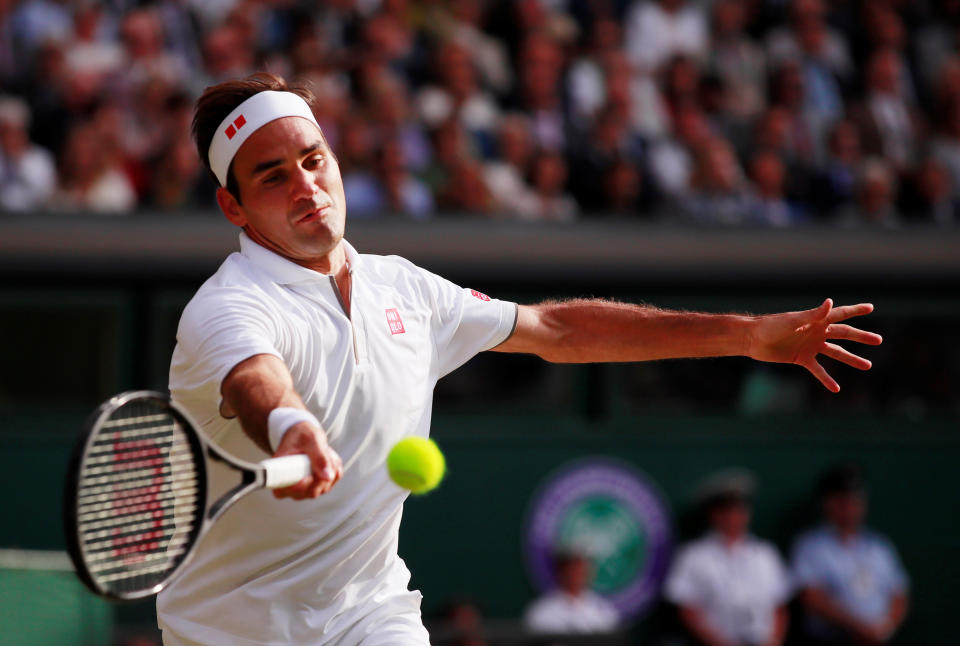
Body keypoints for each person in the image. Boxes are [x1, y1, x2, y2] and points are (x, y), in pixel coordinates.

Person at [160, 72, 882, 646]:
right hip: (231, 633)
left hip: (367, 613)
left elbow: (558, 330)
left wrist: (749, 337)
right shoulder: (228, 306)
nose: (307, 188)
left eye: (314, 161)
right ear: (234, 208)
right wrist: (292, 426)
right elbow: (255, 377)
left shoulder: (405, 290)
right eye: (273, 176)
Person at [664, 470, 791, 646]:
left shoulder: (765, 553)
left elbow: (779, 606)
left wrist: (774, 641)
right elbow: (687, 611)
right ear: (712, 514)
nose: (733, 517)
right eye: (725, 511)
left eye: (739, 510)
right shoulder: (693, 555)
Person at [791, 464, 909, 646]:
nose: (850, 507)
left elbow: (899, 593)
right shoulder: (811, 545)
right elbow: (812, 598)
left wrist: (884, 629)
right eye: (843, 500)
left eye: (856, 500)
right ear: (828, 503)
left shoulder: (879, 546)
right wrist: (860, 629)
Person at [524, 551, 619, 634]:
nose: (578, 572)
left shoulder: (604, 612)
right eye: (572, 567)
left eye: (581, 566)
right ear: (561, 571)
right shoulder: (540, 612)